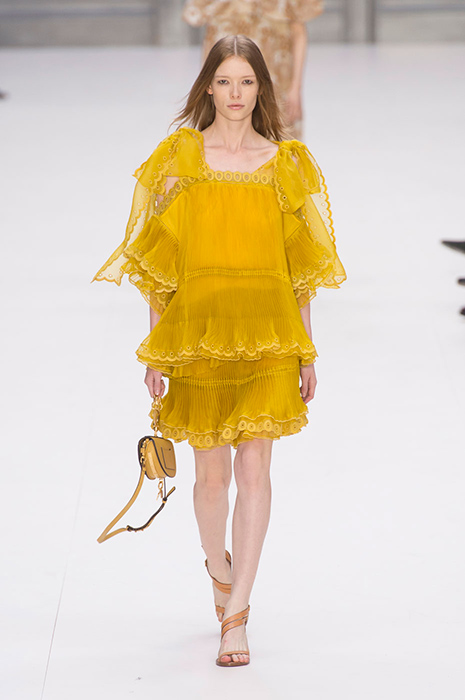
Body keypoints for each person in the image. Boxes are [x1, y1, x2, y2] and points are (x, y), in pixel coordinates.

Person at [93, 34, 345, 667]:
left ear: (262, 88)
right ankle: (218, 569)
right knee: (211, 477)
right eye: (226, 81)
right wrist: (158, 350)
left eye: (248, 82)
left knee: (255, 471)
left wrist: (306, 350)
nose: (236, 94)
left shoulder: (286, 163)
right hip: (200, 335)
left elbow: (301, 268)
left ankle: (237, 615)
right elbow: (160, 260)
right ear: (208, 86)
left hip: (268, 335)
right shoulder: (180, 158)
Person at [182, 0, 324, 138]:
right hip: (224, 75)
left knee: (279, 140)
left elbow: (298, 30)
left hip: (276, 79)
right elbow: (209, 35)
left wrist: (295, 88)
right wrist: (206, 86)